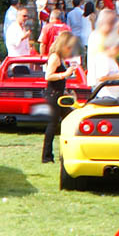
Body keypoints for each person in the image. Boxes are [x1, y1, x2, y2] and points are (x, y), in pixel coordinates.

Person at [42, 31, 79, 164]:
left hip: (59, 94)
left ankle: (67, 152)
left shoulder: (60, 57)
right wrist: (65, 74)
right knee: (52, 125)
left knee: (70, 119)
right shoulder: (55, 57)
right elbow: (48, 76)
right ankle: (46, 156)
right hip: (53, 95)